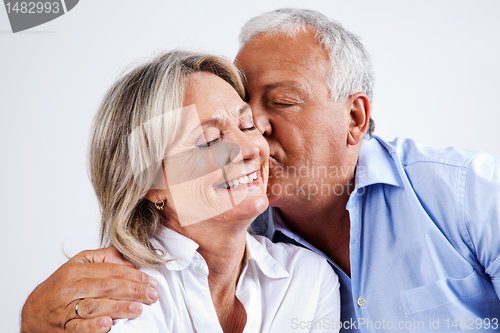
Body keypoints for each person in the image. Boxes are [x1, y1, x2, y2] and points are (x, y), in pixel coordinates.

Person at [21, 8, 500, 333]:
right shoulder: (140, 280)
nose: (252, 140)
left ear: (355, 118)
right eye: (241, 116)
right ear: (151, 186)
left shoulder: (468, 193)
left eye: (281, 103)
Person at [76, 50, 341, 333]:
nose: (251, 148)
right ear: (149, 185)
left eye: (247, 125)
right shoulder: (120, 296)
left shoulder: (307, 278)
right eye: (209, 141)